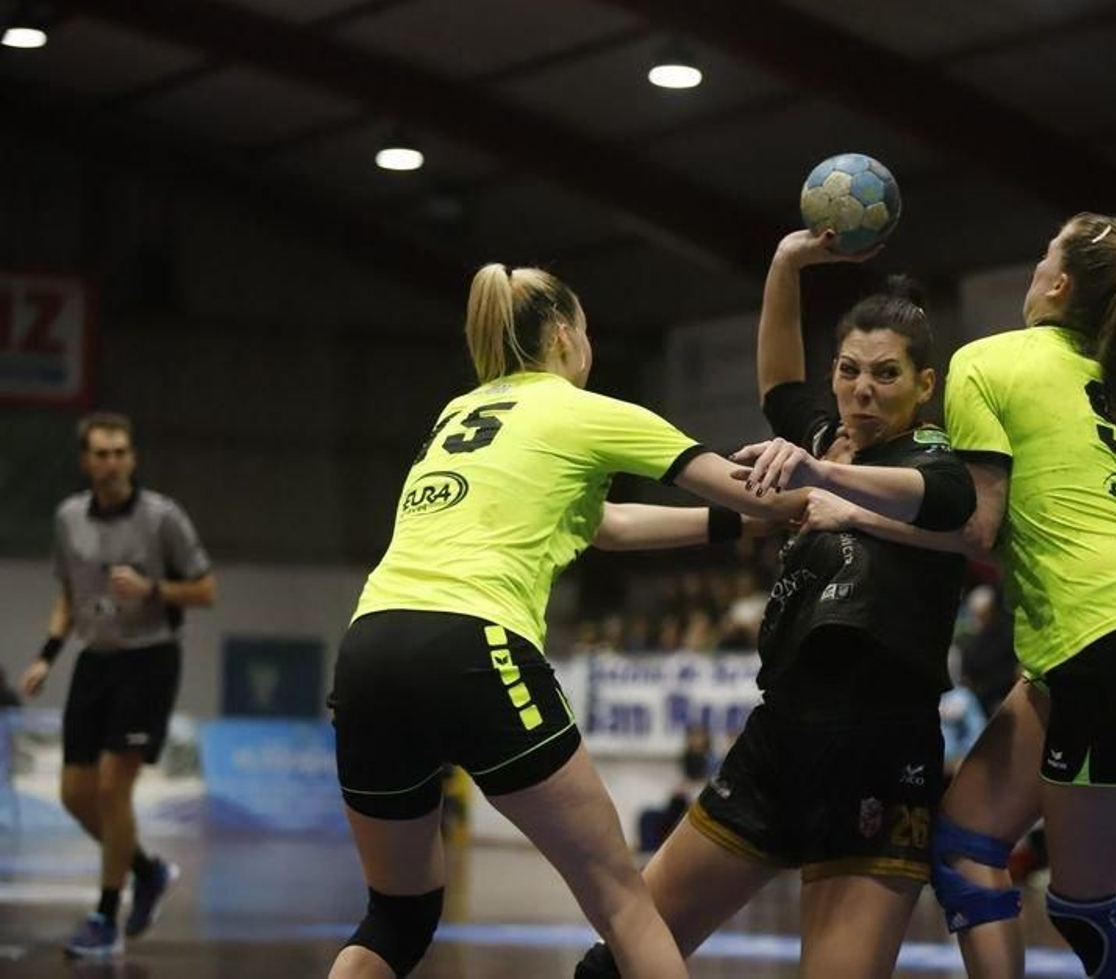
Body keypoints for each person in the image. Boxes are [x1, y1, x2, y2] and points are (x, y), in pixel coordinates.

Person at [328, 261, 944, 979]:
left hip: (368, 646)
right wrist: (811, 483)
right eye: (584, 330)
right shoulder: (585, 410)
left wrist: (734, 528)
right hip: (472, 644)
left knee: (397, 916)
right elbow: (756, 492)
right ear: (564, 334)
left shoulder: (458, 413)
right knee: (623, 904)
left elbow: (605, 525)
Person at [789, 213, 1116, 979]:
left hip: (1100, 642)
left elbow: (978, 527)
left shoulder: (988, 361)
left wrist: (850, 507)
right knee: (967, 843)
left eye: (1043, 249)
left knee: (1085, 906)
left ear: (1058, 283)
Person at [576, 229, 975, 979]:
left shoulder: (931, 458)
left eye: (887, 374)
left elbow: (951, 505)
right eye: (851, 371)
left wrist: (831, 486)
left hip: (879, 753)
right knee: (615, 963)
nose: (863, 389)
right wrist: (786, 265)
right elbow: (778, 388)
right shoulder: (827, 437)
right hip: (779, 741)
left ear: (924, 385)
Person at [18, 411, 216, 959]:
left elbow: (204, 589)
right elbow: (68, 596)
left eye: (120, 452)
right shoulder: (68, 519)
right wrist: (47, 656)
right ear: (85, 461)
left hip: (149, 659)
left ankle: (106, 916)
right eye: (100, 454)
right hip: (95, 659)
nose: (111, 463)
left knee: (112, 786)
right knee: (74, 795)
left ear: (132, 458)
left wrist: (153, 588)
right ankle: (148, 870)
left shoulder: (162, 518)